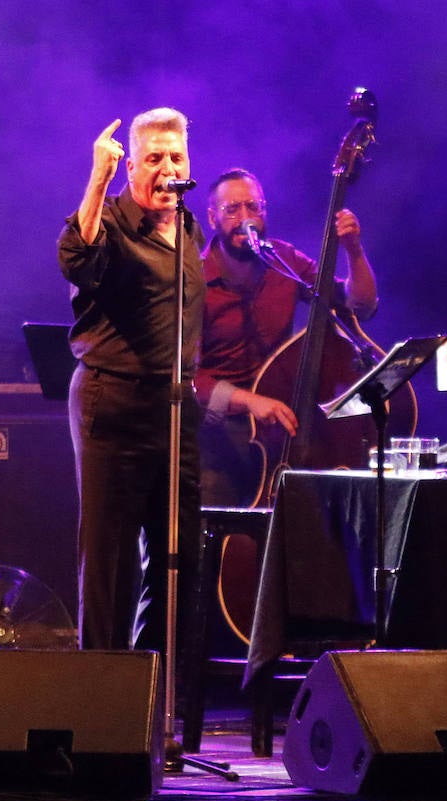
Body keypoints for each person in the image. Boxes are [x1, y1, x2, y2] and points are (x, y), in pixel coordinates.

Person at [57, 108, 205, 654]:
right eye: (154, 158)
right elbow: (76, 258)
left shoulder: (189, 224)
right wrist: (96, 178)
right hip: (112, 403)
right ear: (130, 168)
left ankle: (154, 686)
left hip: (173, 410)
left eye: (177, 157)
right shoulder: (112, 220)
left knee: (180, 554)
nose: (167, 169)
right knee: (111, 560)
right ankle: (103, 700)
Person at [194, 167, 378, 506]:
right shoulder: (195, 279)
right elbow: (188, 378)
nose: (244, 218)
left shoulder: (283, 259)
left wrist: (353, 249)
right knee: (220, 530)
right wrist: (251, 401)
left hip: (281, 427)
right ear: (212, 218)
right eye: (231, 210)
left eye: (253, 207)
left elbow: (360, 304)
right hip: (220, 433)